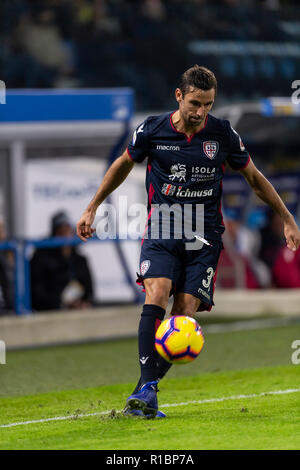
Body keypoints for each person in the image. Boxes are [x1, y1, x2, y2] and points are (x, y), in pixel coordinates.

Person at [76, 65, 300, 418]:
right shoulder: (152, 130)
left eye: (208, 104)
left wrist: (287, 218)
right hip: (163, 228)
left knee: (183, 318)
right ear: (179, 96)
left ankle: (144, 389)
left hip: (205, 235)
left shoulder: (222, 134)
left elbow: (255, 179)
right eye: (195, 103)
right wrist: (92, 207)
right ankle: (148, 388)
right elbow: (122, 164)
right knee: (157, 293)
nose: (201, 112)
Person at [31, 211, 94, 312]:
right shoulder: (41, 259)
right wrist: (62, 304)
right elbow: (38, 295)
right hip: (52, 312)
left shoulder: (80, 261)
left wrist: (82, 303)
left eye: (67, 231)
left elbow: (90, 292)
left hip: (78, 311)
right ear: (54, 234)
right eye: (60, 232)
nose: (65, 236)